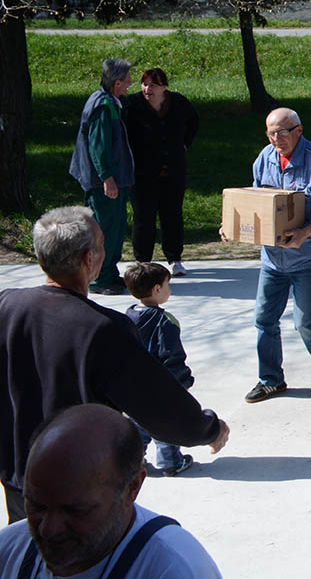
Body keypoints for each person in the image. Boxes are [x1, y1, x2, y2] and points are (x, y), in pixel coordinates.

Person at [0, 207, 229, 523]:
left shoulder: (6, 306)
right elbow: (156, 404)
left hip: (19, 481)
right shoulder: (103, 329)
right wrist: (209, 429)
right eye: (102, 245)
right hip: (79, 494)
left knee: (28, 564)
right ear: (88, 260)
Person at [0, 405, 222, 578]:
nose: (48, 529)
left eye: (75, 510)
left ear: (132, 487)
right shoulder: (8, 549)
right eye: (36, 505)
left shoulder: (175, 569)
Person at [234, 108, 311, 404]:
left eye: (282, 132)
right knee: (263, 319)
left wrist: (307, 230)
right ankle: (270, 380)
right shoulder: (265, 158)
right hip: (272, 260)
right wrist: (235, 225)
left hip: (307, 260)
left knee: (304, 321)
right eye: (271, 133)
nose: (276, 139)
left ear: (299, 130)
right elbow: (256, 201)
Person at [124, 68, 199, 278]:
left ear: (164, 86)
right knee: (143, 217)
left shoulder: (178, 102)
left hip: (173, 171)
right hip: (142, 174)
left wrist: (184, 143)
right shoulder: (132, 104)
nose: (148, 89)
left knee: (172, 215)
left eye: (153, 85)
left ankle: (174, 258)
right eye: (145, 84)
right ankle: (142, 261)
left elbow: (194, 121)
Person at [69, 58, 135, 295]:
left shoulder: (111, 102)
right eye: (127, 78)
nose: (130, 82)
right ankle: (97, 278)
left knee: (115, 228)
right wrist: (107, 178)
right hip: (104, 183)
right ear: (117, 82)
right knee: (102, 230)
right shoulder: (103, 107)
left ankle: (109, 273)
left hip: (115, 180)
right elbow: (98, 147)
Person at [124, 262, 195, 477]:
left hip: (132, 386)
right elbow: (172, 356)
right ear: (157, 289)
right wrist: (182, 382)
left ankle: (132, 461)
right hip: (159, 385)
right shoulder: (165, 322)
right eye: (167, 285)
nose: (169, 290)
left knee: (139, 423)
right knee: (164, 423)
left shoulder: (127, 317)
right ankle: (171, 462)